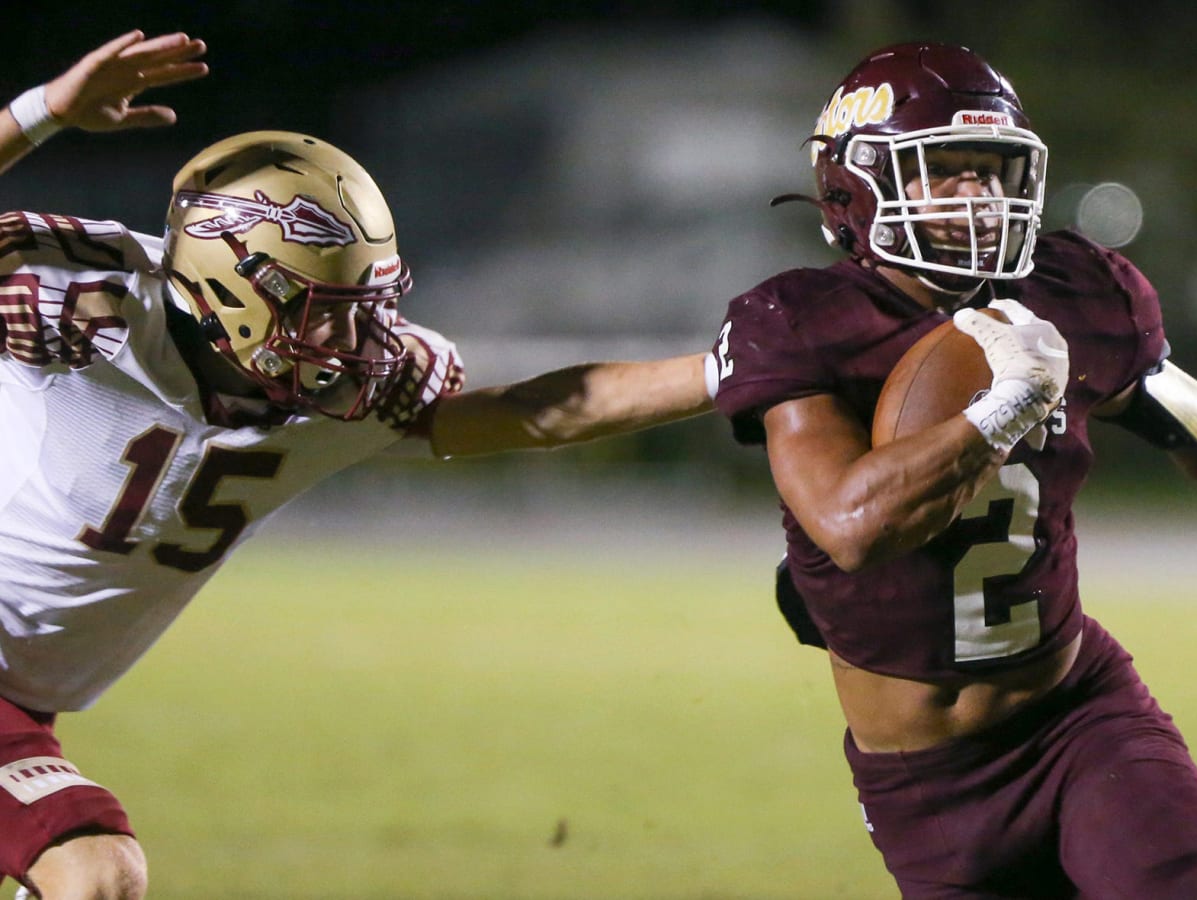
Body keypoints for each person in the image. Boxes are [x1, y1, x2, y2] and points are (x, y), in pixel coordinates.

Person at [0, 31, 711, 900]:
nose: (356, 343)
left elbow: (532, 413)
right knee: (94, 871)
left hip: (24, 695)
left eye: (367, 306)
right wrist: (41, 114)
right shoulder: (79, 304)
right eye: (324, 312)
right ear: (229, 287)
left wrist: (728, 370)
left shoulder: (359, 385)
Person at [709, 42, 1197, 898]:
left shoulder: (1074, 290)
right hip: (926, 784)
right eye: (948, 172)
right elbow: (852, 527)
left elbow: (1187, 421)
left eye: (995, 172)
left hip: (1079, 717)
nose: (981, 197)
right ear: (856, 184)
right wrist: (1003, 406)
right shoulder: (801, 321)